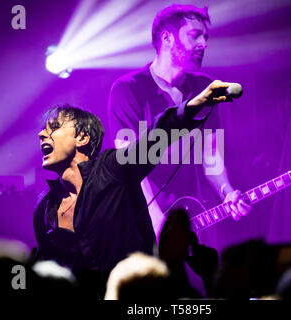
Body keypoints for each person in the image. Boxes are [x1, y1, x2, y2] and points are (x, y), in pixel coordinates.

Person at [32, 79, 240, 297]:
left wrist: (194, 105)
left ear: (82, 138)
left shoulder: (112, 169)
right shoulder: (44, 208)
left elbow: (156, 135)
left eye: (53, 128)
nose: (41, 135)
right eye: (43, 131)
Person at [107, 4, 250, 247]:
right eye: (195, 35)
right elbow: (129, 165)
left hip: (195, 217)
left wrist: (227, 192)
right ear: (167, 38)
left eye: (206, 37)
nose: (204, 44)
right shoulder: (127, 89)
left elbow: (211, 158)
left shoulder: (205, 88)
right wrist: (156, 221)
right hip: (144, 221)